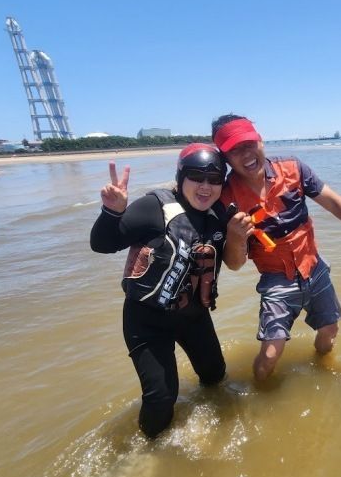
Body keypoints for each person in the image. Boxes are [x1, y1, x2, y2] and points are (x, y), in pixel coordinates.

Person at [213, 114, 341, 381]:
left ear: (261, 140)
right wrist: (235, 237)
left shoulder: (293, 169)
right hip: (276, 281)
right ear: (225, 159)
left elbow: (332, 201)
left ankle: (323, 375)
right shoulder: (226, 198)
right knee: (270, 356)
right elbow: (234, 264)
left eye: (249, 143)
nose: (245, 153)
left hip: (314, 268)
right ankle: (260, 400)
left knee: (329, 332)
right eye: (234, 150)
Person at [90, 144, 244, 438]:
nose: (205, 186)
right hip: (147, 322)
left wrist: (238, 235)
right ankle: (148, 451)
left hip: (194, 317)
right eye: (196, 177)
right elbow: (102, 244)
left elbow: (234, 261)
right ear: (180, 176)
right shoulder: (153, 207)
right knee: (161, 397)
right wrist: (112, 213)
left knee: (215, 376)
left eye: (214, 180)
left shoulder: (220, 214)